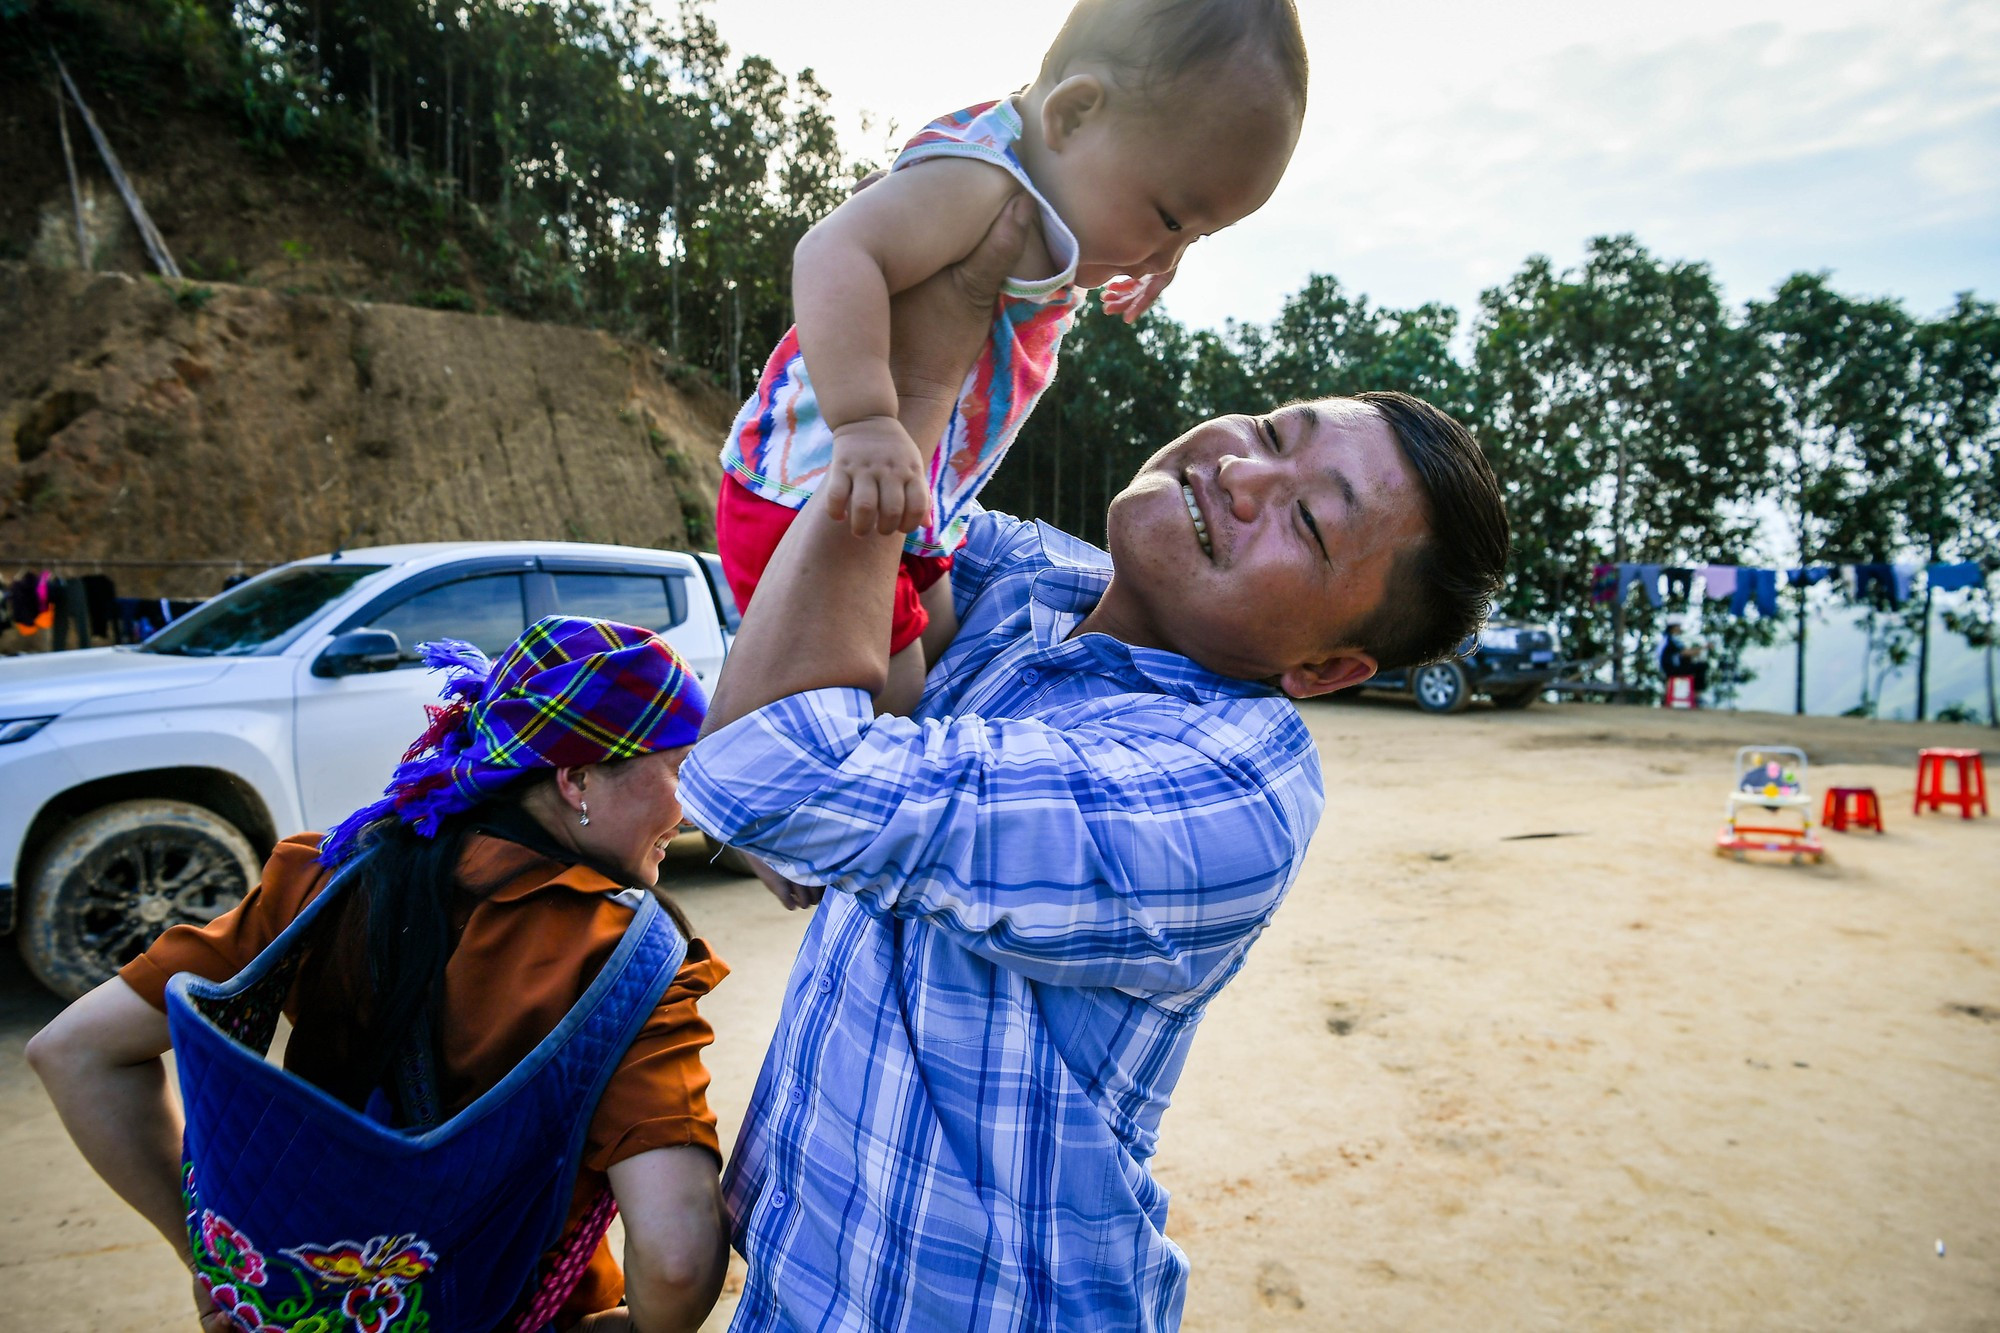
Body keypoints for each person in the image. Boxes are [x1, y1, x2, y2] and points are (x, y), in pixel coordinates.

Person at [685, 193, 1512, 1327]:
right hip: (806, 1279)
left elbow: (762, 773)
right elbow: (804, 515)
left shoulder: (1230, 786)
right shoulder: (1028, 578)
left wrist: (911, 392)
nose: (1241, 474)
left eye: (1309, 525)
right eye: (1272, 430)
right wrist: (1043, 229)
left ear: (1325, 669)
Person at [29, 618, 731, 1333]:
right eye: (678, 771)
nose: (692, 806)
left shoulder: (324, 878)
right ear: (575, 776)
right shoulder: (632, 963)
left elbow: (74, 1050)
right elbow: (676, 1260)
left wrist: (233, 1274)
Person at [718, 0, 1309, 713]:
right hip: (817, 485)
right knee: (894, 690)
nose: (1167, 254)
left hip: (909, 497)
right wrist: (867, 422)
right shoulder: (980, 184)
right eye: (1173, 219)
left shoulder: (1046, 174)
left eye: (1198, 239)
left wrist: (1160, 247)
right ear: (1074, 114)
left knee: (942, 644)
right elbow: (834, 250)